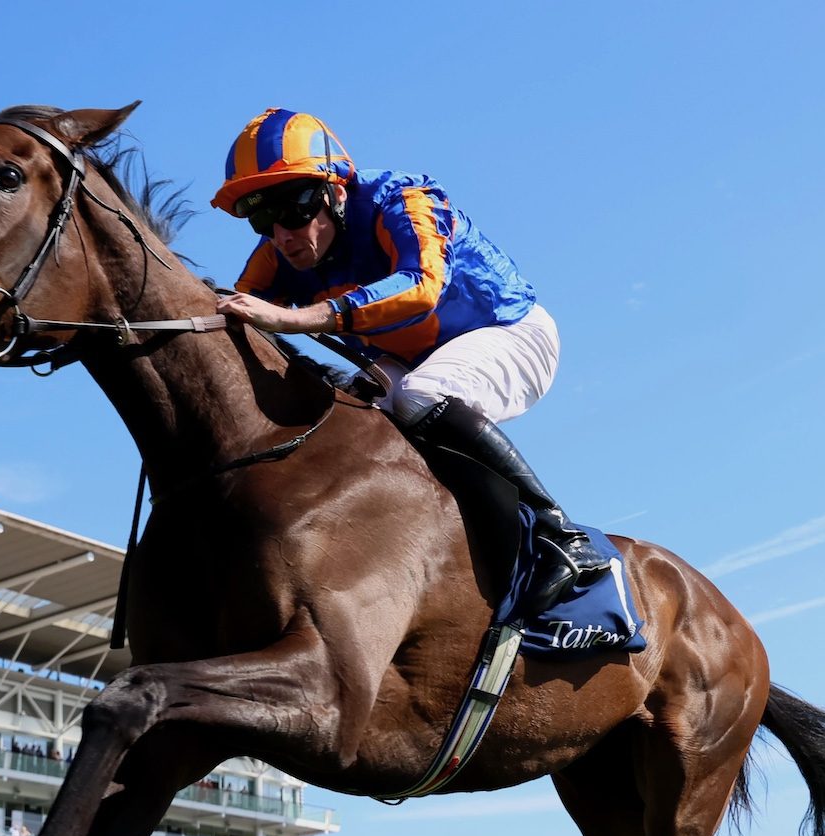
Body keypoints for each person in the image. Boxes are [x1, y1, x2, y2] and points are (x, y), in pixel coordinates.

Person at [211, 108, 612, 616]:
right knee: (349, 418)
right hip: (407, 362)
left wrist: (308, 317)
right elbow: (231, 311)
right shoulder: (281, 253)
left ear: (335, 192)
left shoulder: (401, 199)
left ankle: (562, 536)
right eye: (261, 219)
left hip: (509, 332)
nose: (282, 235)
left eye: (291, 211)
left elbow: (422, 286)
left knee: (419, 395)